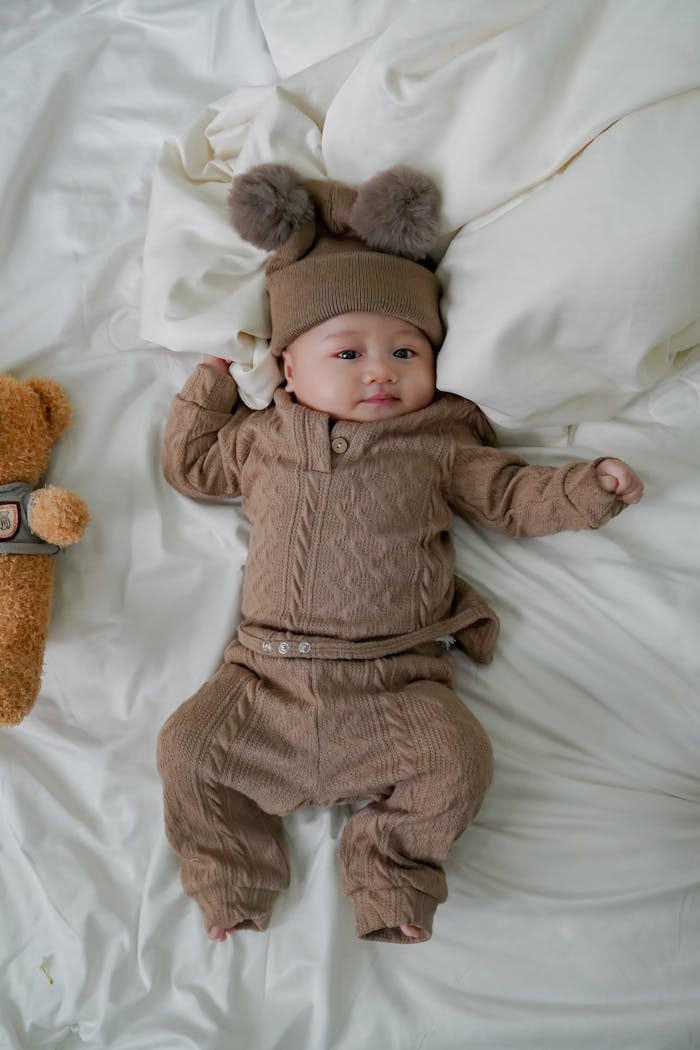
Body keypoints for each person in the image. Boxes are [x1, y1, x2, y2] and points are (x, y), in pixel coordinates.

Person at [157, 165, 643, 945]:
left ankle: (388, 874)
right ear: (288, 366)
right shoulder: (262, 438)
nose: (381, 371)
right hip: (264, 683)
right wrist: (207, 394)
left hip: (393, 685)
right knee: (186, 751)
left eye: (406, 352)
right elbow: (192, 467)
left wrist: (589, 491)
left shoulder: (439, 440)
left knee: (458, 760)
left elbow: (513, 496)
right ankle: (231, 880)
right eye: (347, 354)